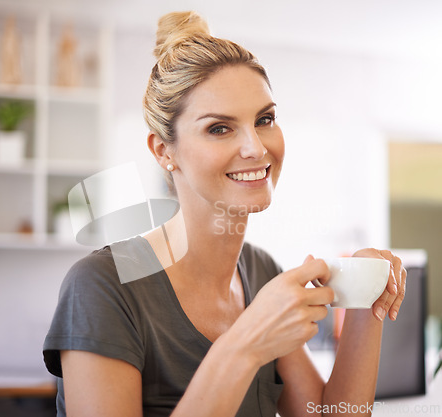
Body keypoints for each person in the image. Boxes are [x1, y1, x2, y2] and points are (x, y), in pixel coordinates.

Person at [43, 11, 406, 417]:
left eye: (264, 119)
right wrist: (245, 344)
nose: (256, 147)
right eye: (219, 128)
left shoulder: (260, 270)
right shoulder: (103, 285)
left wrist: (367, 301)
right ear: (164, 151)